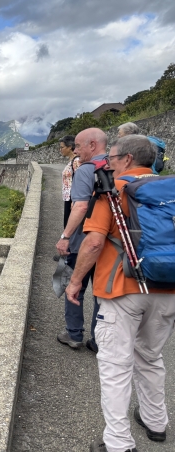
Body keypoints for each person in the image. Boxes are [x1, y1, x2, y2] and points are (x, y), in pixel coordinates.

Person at [66, 135, 175, 452]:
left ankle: (118, 442)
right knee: (150, 357)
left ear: (127, 159)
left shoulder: (113, 191)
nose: (108, 164)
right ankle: (156, 422)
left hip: (122, 290)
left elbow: (93, 243)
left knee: (115, 366)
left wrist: (75, 282)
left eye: (112, 158)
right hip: (167, 288)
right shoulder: (170, 189)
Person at [55, 128, 106, 352]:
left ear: (92, 145)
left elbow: (80, 207)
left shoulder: (86, 170)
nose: (76, 151)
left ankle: (74, 334)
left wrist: (65, 236)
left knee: (75, 285)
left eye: (78, 146)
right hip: (107, 242)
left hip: (82, 240)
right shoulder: (116, 166)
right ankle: (98, 339)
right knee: (101, 291)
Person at [59, 135, 80, 227]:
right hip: (68, 197)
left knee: (69, 225)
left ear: (70, 147)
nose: (60, 150)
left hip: (73, 198)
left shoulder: (76, 161)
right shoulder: (72, 160)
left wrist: (75, 200)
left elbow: (79, 181)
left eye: (62, 147)